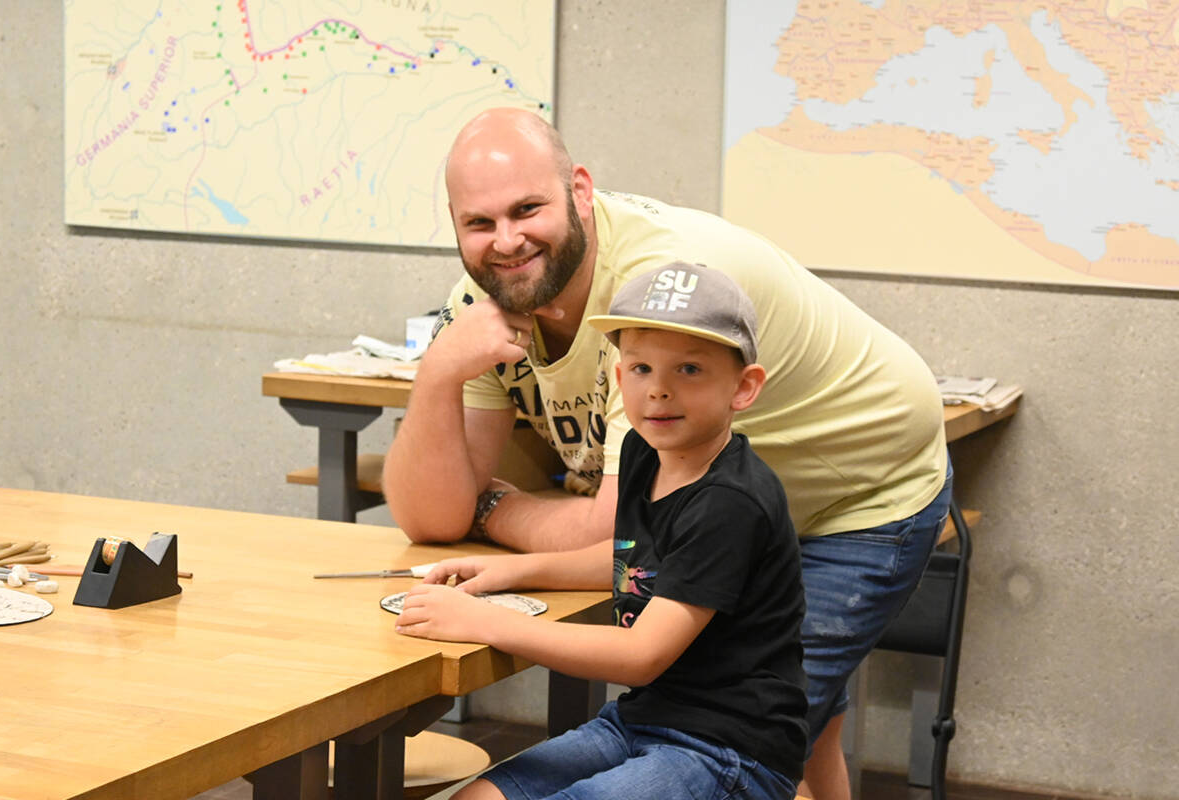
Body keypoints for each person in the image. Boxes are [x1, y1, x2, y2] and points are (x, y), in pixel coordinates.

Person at [382, 108, 952, 800]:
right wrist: (439, 371)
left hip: (864, 484)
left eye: (527, 208)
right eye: (479, 222)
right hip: (665, 685)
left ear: (580, 192)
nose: (506, 241)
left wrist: (492, 512)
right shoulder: (504, 309)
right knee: (787, 695)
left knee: (771, 724)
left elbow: (623, 589)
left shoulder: (657, 304)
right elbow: (596, 544)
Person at [394, 263, 807, 800]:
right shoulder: (645, 449)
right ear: (618, 378)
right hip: (640, 720)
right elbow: (636, 560)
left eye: (689, 370)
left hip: (727, 749)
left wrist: (484, 620)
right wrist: (512, 570)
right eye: (640, 369)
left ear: (744, 387)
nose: (658, 391)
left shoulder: (729, 502)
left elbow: (641, 655)